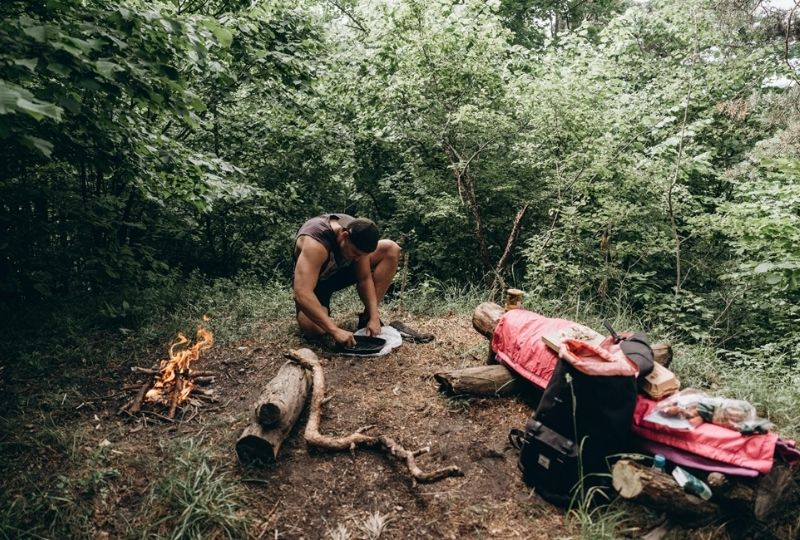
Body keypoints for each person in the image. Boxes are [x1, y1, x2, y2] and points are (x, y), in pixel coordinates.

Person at [293, 213, 400, 348]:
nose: (357, 259)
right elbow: (301, 293)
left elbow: (364, 278)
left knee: (391, 248)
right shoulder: (316, 243)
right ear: (344, 236)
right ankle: (322, 316)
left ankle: (366, 319)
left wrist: (373, 316)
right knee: (314, 329)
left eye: (361, 255)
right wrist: (334, 330)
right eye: (355, 253)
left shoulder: (358, 235)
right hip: (316, 282)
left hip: (338, 272)